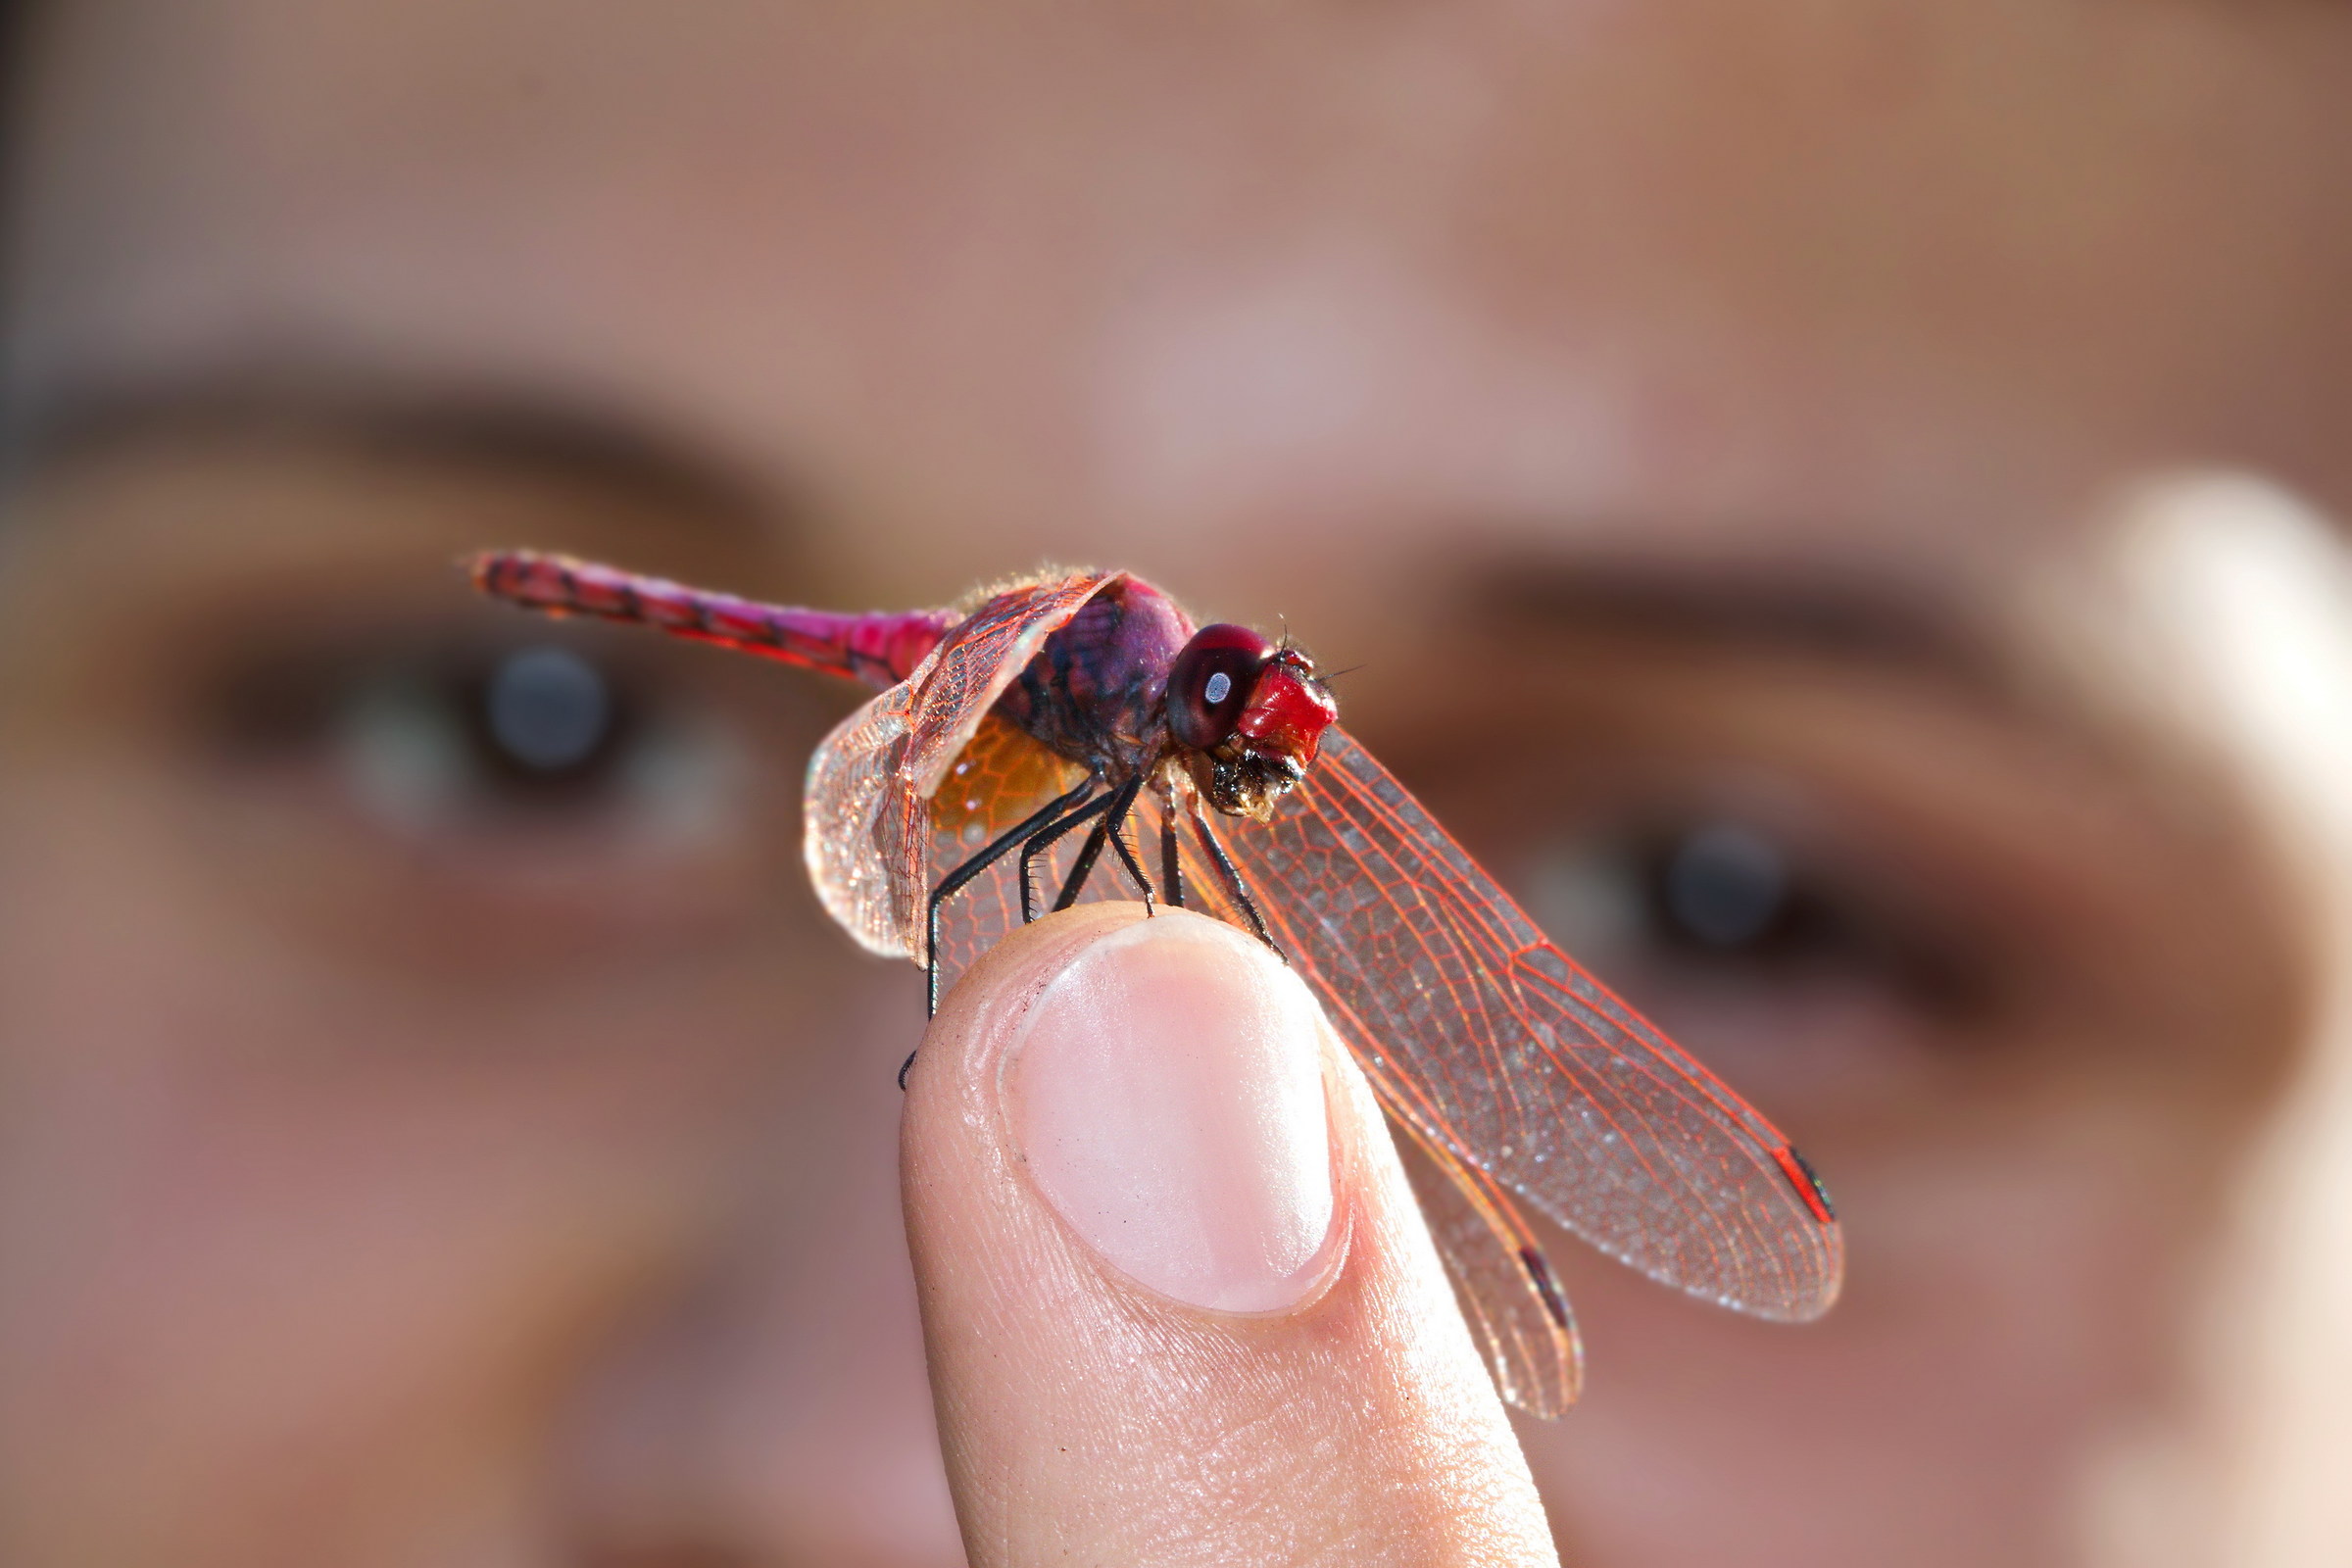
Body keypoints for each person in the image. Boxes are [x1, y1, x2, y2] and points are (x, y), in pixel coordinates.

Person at [2, 2, 2350, 1563]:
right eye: (513, 737)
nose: (875, 1468)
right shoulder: (1060, 727)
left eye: (1740, 899)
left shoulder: (1193, 753)